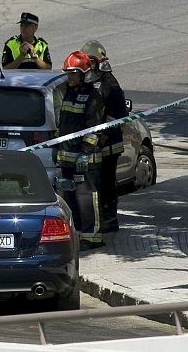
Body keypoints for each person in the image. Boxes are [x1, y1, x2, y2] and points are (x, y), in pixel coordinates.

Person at [56, 51, 104, 248]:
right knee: (69, 199)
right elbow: (65, 126)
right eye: (68, 73)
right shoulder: (68, 93)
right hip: (67, 158)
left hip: (86, 160)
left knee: (86, 198)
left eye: (74, 73)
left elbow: (95, 129)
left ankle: (92, 236)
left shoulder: (93, 97)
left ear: (84, 74)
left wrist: (85, 153)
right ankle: (76, 234)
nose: (70, 77)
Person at [81, 40, 126, 233]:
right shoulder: (90, 82)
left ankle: (109, 219)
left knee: (107, 184)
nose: (88, 66)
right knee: (95, 185)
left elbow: (118, 114)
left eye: (90, 61)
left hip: (108, 146)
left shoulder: (109, 83)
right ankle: (99, 218)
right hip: (96, 145)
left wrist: (104, 136)